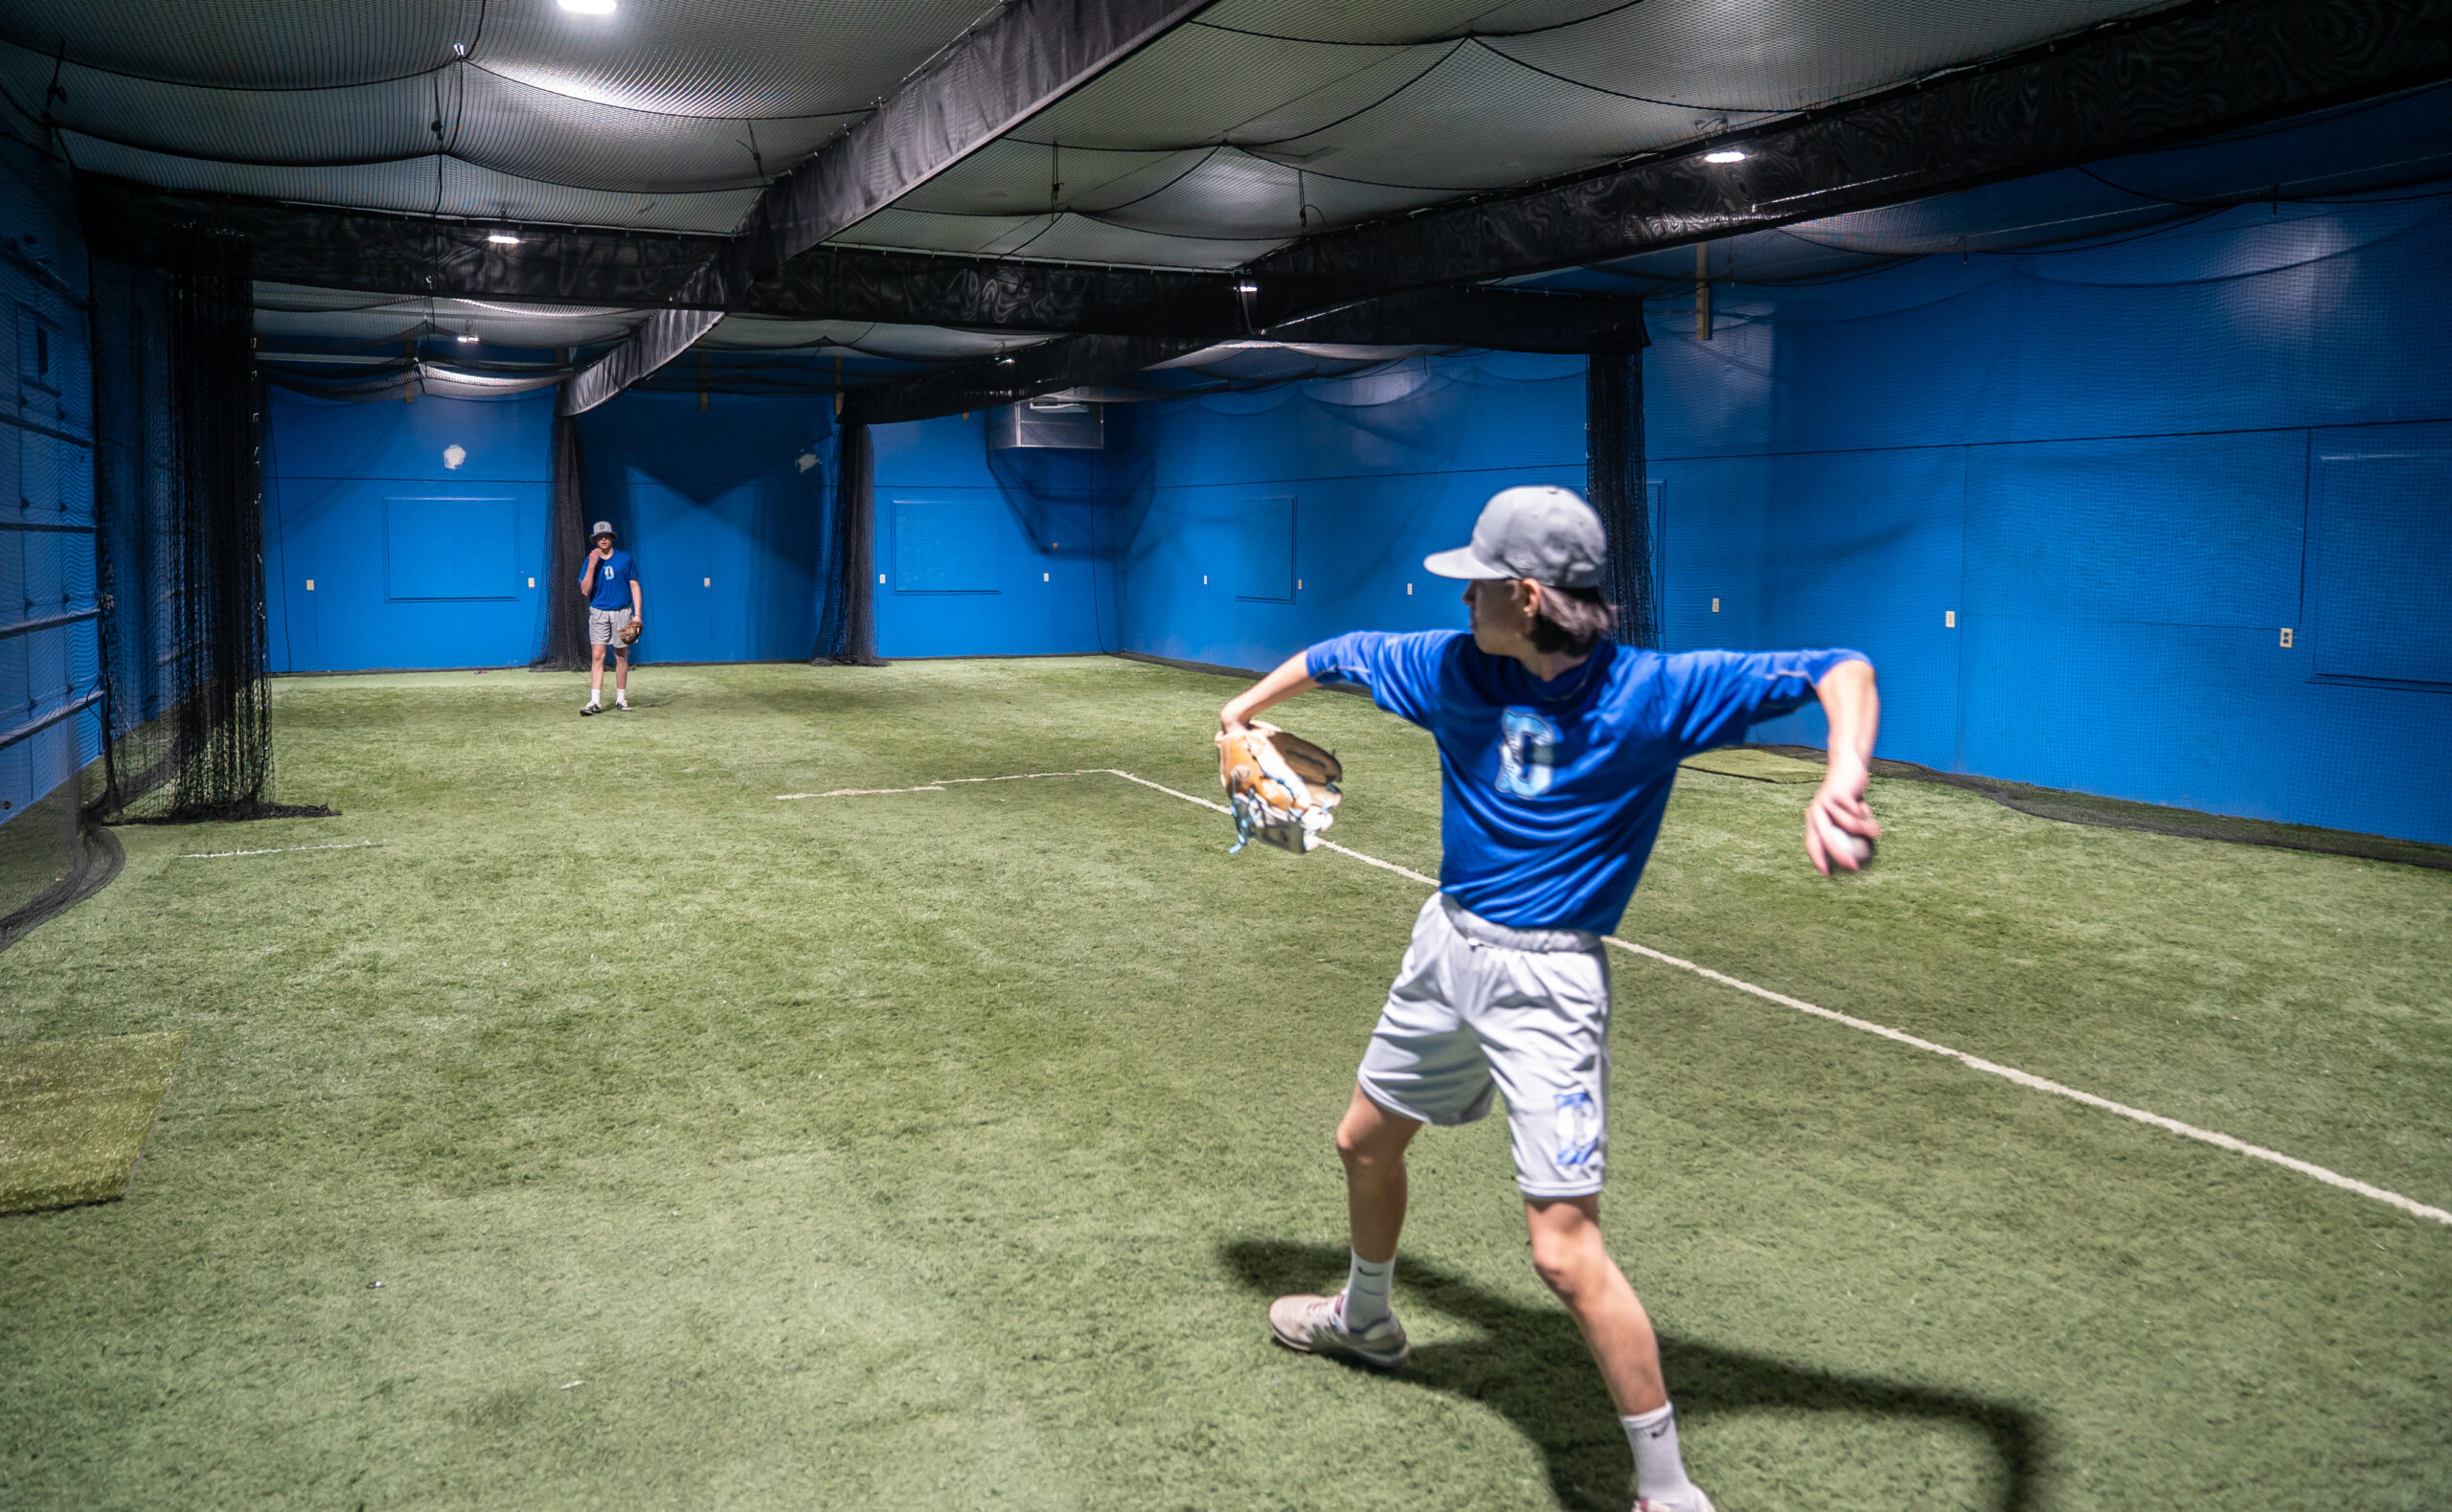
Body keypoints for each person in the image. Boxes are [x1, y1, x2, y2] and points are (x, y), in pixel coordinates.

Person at [1218, 485, 1881, 1512]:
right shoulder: (1450, 666)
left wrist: (1841, 775)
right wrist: (1242, 710)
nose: (1460, 600)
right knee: (1362, 1141)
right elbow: (1339, 649)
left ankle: (1666, 1489)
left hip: (1549, 982)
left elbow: (1840, 668)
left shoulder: (1656, 692)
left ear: (1525, 596)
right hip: (1444, 947)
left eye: (1478, 583)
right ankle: (1368, 1317)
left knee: (1561, 1252)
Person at [579, 520, 643, 715]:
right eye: (599, 536)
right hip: (598, 612)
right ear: (595, 539)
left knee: (620, 655)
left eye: (606, 535)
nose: (603, 538)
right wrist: (591, 565)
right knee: (597, 655)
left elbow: (634, 586)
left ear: (611, 537)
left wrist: (638, 615)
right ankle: (594, 701)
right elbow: (585, 590)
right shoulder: (590, 561)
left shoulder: (625, 558)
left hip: (622, 612)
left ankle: (621, 698)